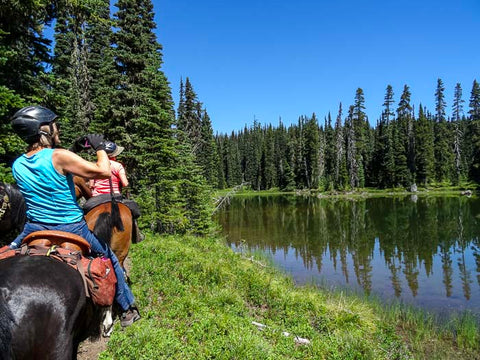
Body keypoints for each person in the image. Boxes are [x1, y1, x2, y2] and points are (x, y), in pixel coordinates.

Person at [9, 105, 140, 327]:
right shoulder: (59, 156)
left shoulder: (18, 164)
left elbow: (50, 168)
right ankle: (128, 308)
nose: (56, 128)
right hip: (71, 226)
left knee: (10, 250)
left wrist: (75, 148)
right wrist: (99, 148)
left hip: (33, 227)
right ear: (43, 130)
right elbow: (102, 171)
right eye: (53, 125)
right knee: (110, 257)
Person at [88, 141, 142, 241]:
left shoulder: (96, 165)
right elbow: (125, 184)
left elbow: (91, 185)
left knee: (83, 213)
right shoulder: (118, 166)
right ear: (114, 155)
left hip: (96, 198)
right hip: (115, 196)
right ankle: (136, 235)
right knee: (134, 210)